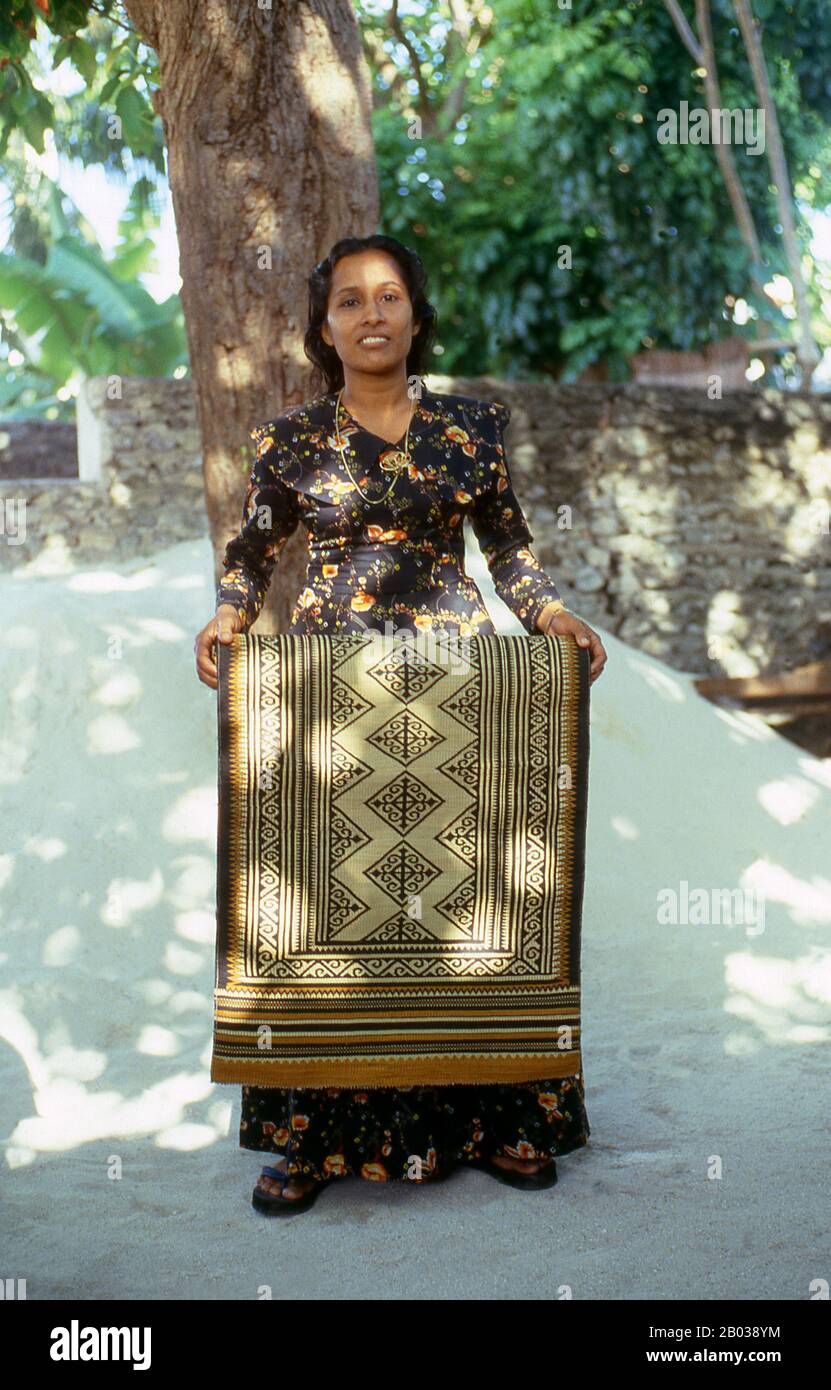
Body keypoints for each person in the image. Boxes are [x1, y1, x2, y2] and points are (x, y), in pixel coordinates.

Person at [195, 233, 607, 1215]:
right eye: (349, 300)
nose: (371, 314)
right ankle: (307, 1134)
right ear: (325, 325)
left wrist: (549, 613)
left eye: (389, 297)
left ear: (416, 317)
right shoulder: (287, 441)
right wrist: (228, 613)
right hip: (323, 697)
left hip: (459, 687)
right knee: (316, 897)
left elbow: (506, 545)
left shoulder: (473, 429)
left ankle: (498, 1119)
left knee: (467, 891)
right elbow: (253, 553)